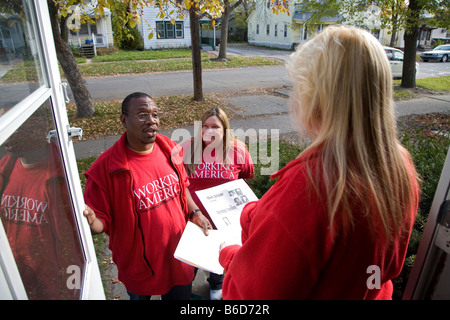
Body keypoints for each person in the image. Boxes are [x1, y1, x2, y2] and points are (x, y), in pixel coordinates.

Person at [218, 26, 420, 299]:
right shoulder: (398, 166)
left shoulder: (311, 184)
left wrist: (229, 255)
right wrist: (261, 214)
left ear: (316, 97)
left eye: (298, 86)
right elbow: (386, 267)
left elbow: (250, 295)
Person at [83, 92, 212, 300]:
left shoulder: (169, 148)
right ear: (124, 120)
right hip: (139, 265)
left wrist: (195, 211)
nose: (151, 121)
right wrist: (90, 221)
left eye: (155, 114)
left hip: (178, 256)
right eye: (142, 115)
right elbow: (100, 223)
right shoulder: (106, 169)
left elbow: (183, 187)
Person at [0, 109, 84, 299]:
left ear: (38, 129)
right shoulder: (6, 169)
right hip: (15, 278)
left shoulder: (58, 180)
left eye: (16, 128)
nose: (7, 136)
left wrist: (74, 290)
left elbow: (72, 246)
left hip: (50, 285)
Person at [182, 107, 254, 300]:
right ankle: (184, 290)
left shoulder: (237, 150)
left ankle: (216, 285)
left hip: (224, 218)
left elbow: (246, 175)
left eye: (215, 126)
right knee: (190, 264)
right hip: (194, 217)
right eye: (205, 126)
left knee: (220, 256)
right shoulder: (187, 148)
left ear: (225, 130)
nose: (209, 131)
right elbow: (178, 181)